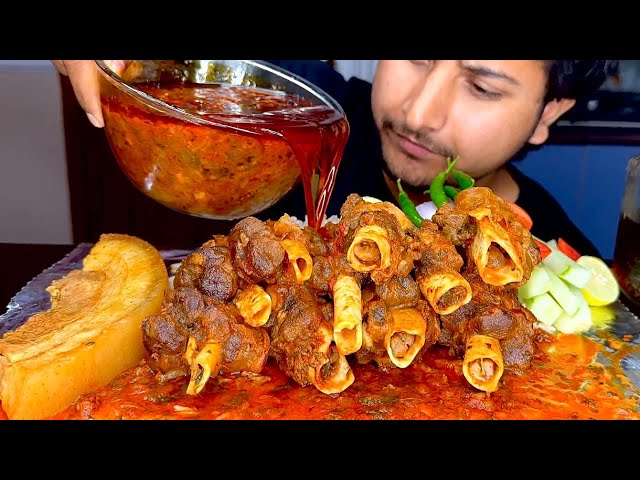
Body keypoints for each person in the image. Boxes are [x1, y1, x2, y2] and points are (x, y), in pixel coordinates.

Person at [53, 59, 614, 257]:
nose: (420, 112)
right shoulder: (315, 116)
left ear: (548, 113)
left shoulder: (560, 258)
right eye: (416, 57)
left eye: (482, 88)